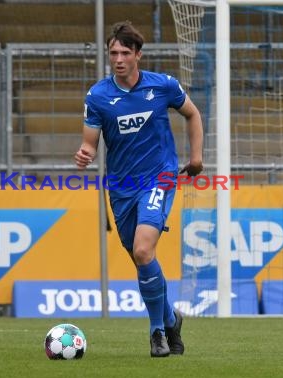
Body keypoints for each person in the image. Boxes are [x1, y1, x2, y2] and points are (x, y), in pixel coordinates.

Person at [74, 21, 203, 357]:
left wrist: (196, 158)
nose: (118, 59)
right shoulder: (98, 95)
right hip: (121, 187)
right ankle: (171, 318)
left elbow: (192, 114)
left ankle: (156, 332)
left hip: (158, 177)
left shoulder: (163, 86)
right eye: (113, 52)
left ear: (138, 55)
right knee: (141, 258)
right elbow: (90, 143)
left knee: (144, 250)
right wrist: (86, 153)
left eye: (124, 53)